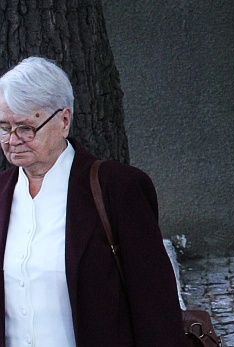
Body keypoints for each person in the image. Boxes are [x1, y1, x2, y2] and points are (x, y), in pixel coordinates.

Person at [0, 56, 184, 347]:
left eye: (26, 128)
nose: (12, 141)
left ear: (64, 121)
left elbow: (155, 306)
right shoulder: (3, 193)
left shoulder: (118, 189)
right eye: (4, 128)